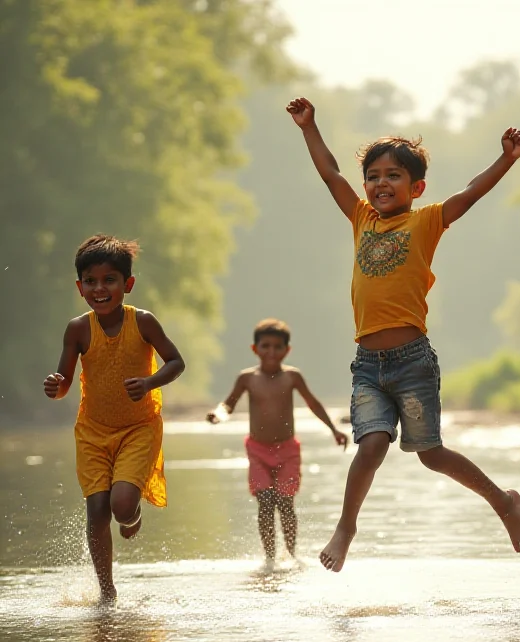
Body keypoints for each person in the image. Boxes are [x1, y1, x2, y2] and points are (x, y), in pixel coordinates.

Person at [286, 96, 520, 572]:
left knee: (430, 454)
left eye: (394, 176)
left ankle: (503, 501)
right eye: (374, 176)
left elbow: (470, 193)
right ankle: (345, 528)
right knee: (372, 444)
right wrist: (308, 127)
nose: (381, 183)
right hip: (367, 366)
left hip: (412, 361)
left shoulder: (424, 221)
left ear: (416, 187)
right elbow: (330, 174)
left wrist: (504, 159)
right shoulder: (360, 218)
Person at [43, 234, 185, 603]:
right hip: (92, 432)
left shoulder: (143, 322)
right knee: (96, 510)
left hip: (138, 428)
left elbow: (176, 362)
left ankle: (133, 516)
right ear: (80, 287)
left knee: (121, 506)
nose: (99, 288)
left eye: (110, 280)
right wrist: (55, 386)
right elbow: (64, 384)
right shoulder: (77, 329)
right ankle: (107, 591)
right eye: (90, 281)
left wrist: (151, 381)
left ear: (128, 284)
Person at [207, 318, 348, 563]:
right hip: (258, 450)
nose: (271, 352)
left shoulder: (292, 377)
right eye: (266, 346)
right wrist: (218, 415)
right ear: (255, 349)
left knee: (285, 503)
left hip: (287, 451)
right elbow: (228, 404)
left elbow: (313, 403)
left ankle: (292, 555)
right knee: (264, 502)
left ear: (287, 350)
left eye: (277, 347)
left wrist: (334, 429)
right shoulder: (247, 379)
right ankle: (270, 558)